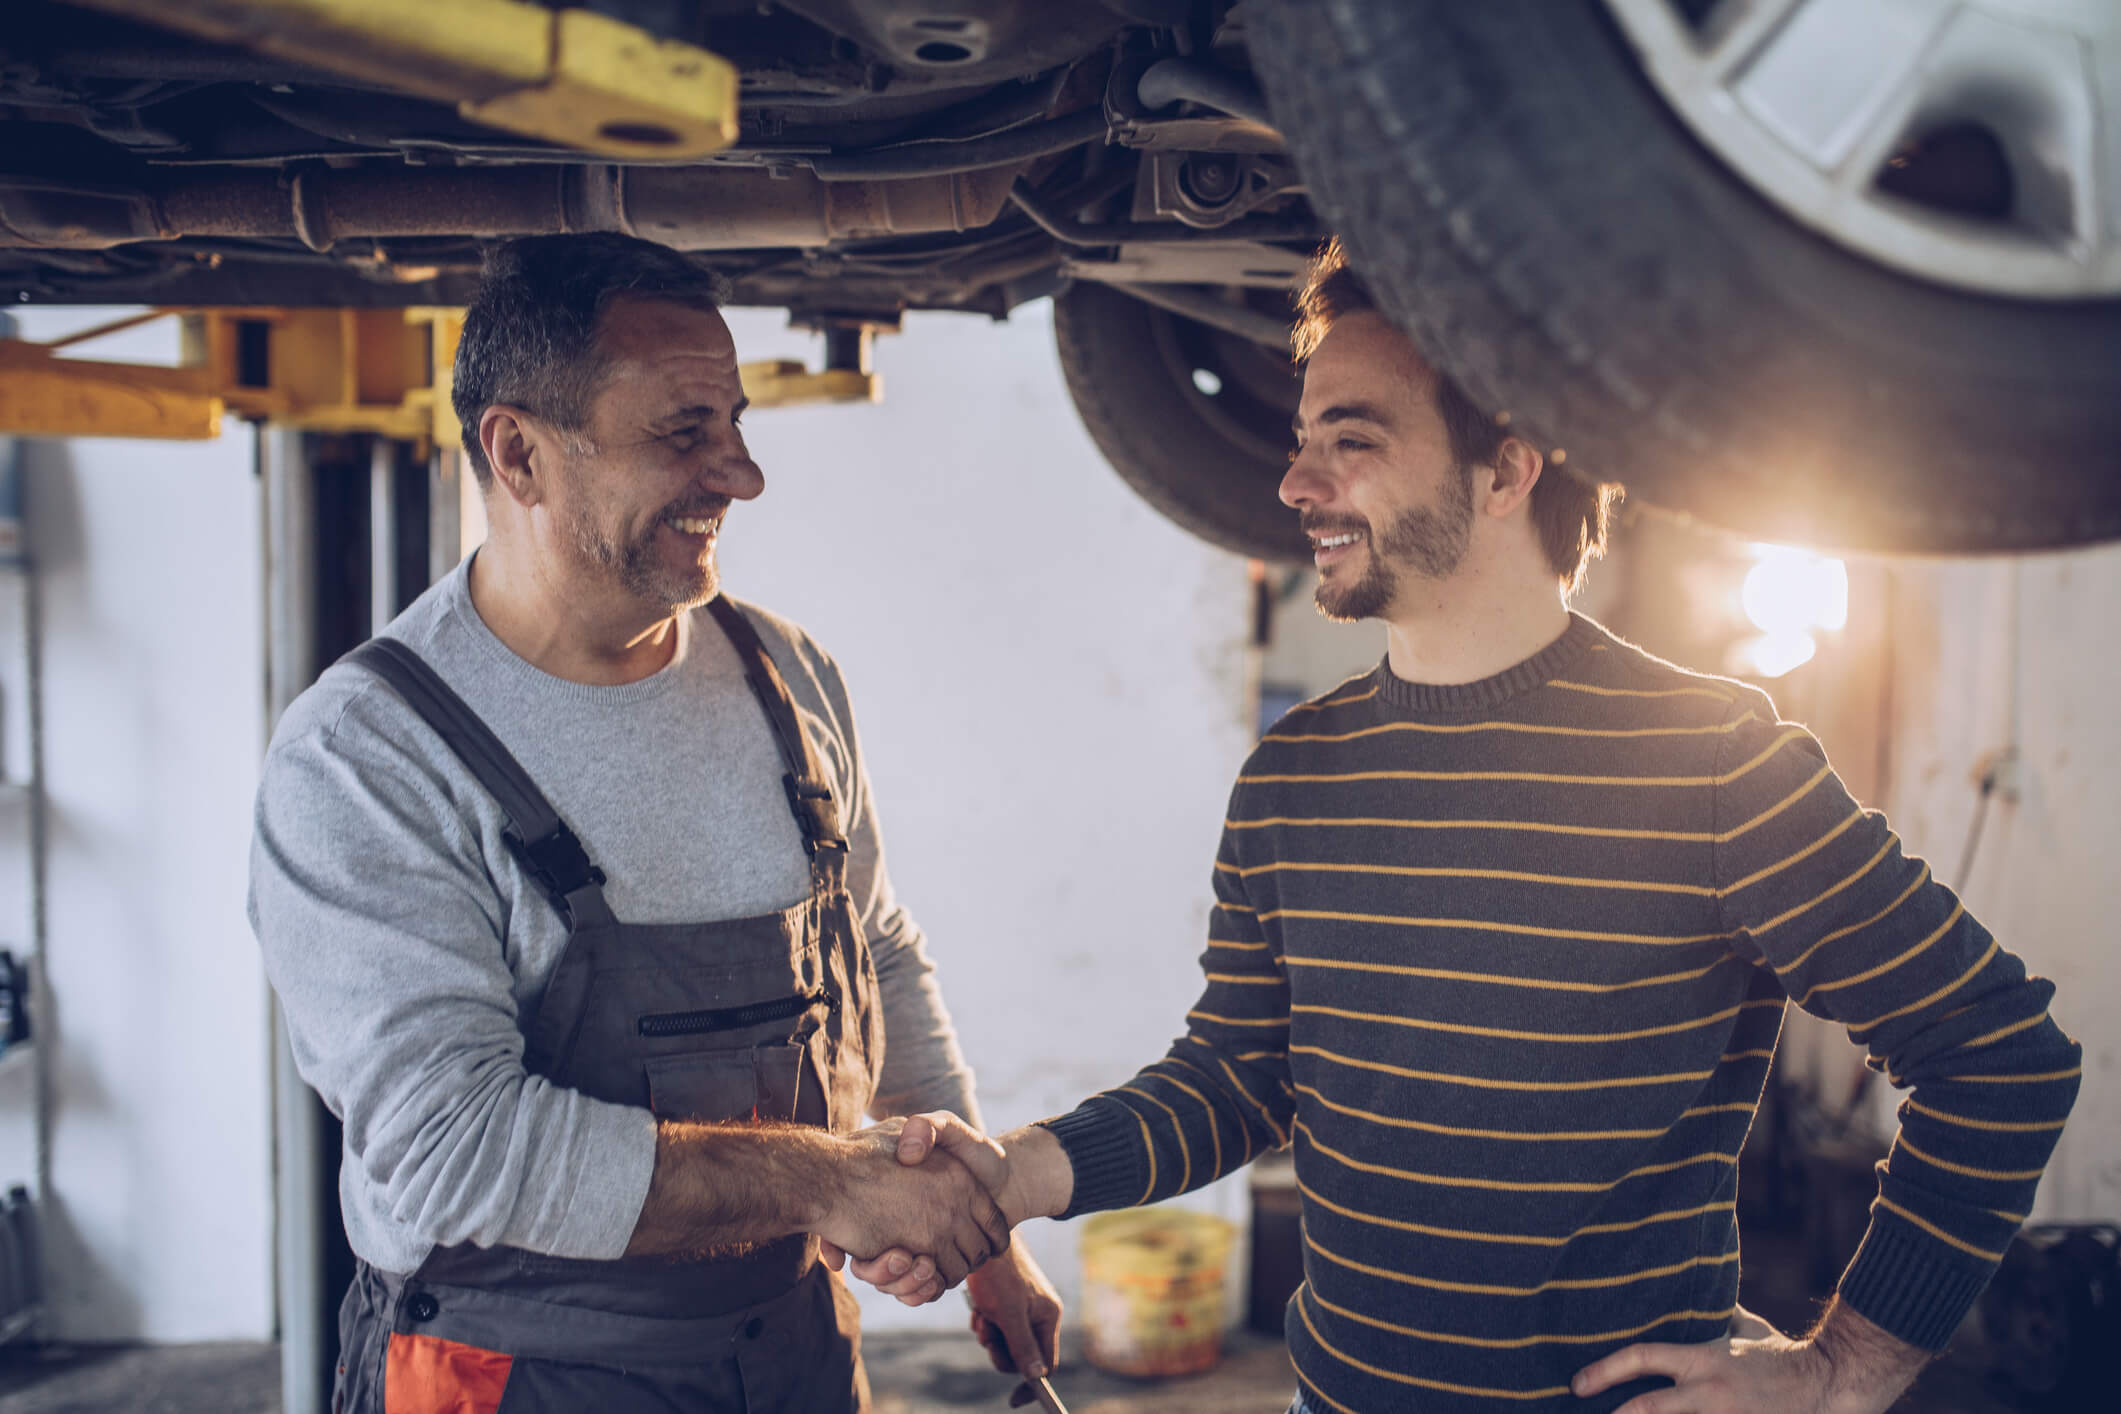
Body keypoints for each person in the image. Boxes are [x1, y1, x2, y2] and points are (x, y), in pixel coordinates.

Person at [853, 238, 2082, 1414]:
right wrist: (1008, 1177)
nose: (1294, 484)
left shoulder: (1706, 761)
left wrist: (1839, 1371)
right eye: (1300, 441)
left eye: (1354, 439)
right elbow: (1241, 1074)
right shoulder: (1295, 775)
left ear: (1507, 467)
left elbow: (2000, 1056)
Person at [248, 232, 1059, 1414]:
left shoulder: (785, 675)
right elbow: (454, 1146)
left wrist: (982, 1233)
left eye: (737, 425)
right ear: (517, 452)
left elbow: (871, 946)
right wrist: (833, 1183)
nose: (740, 474)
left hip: (789, 1351)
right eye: (683, 433)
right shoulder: (368, 757)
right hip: (518, 1373)